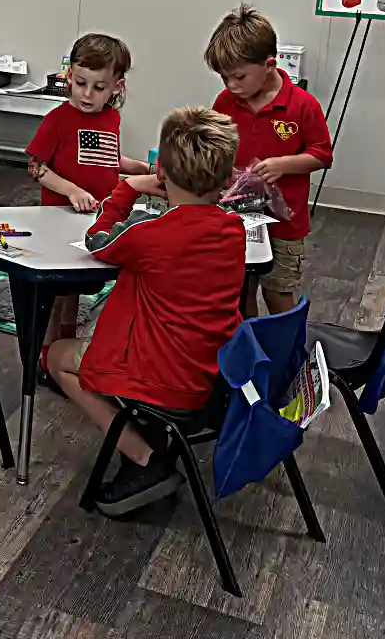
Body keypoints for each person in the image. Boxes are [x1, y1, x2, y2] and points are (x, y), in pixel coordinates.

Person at [47, 106, 245, 516]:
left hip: (166, 379)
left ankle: (144, 458)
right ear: (227, 180)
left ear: (163, 175)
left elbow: (99, 239)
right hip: (216, 373)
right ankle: (147, 440)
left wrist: (128, 189)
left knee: (57, 359)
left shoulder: (148, 235)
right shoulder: (234, 230)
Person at [26, 33, 151, 387]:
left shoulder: (111, 119)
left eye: (98, 87)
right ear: (69, 77)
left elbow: (105, 158)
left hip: (97, 219)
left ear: (116, 86)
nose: (86, 94)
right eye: (80, 83)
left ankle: (60, 350)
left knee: (75, 293)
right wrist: (71, 191)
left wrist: (139, 168)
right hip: (60, 218)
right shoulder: (58, 119)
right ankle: (46, 354)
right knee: (59, 291)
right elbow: (36, 167)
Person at [205, 4, 333, 316]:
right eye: (224, 78)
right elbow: (214, 146)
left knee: (278, 293)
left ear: (269, 64)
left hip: (285, 224)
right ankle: (247, 352)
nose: (232, 86)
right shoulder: (225, 102)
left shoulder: (303, 106)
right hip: (236, 217)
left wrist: (282, 165)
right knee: (238, 291)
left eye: (238, 77)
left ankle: (284, 354)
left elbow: (322, 155)